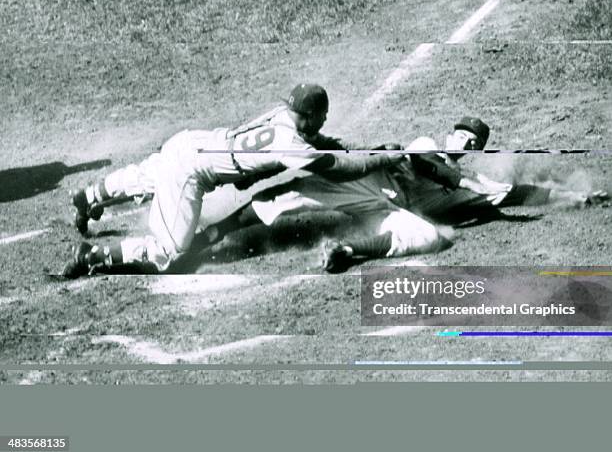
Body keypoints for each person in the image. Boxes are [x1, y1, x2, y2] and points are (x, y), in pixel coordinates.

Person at [62, 83, 405, 278]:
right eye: (323, 116)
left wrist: (369, 150)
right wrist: (383, 159)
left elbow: (325, 144)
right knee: (169, 254)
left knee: (150, 175)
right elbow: (338, 168)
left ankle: (91, 194)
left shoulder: (282, 118)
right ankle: (93, 256)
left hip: (190, 142)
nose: (325, 121)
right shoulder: (291, 144)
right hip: (191, 173)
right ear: (312, 116)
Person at [195, 116, 609, 272]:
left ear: (476, 151)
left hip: (389, 211)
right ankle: (215, 234)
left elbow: (518, 193)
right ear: (451, 133)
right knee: (294, 193)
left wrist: (573, 198)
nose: (464, 144)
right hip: (366, 187)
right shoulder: (427, 143)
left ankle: (346, 251)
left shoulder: (470, 187)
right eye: (462, 136)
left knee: (432, 237)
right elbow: (427, 164)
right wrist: (459, 181)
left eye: (472, 144)